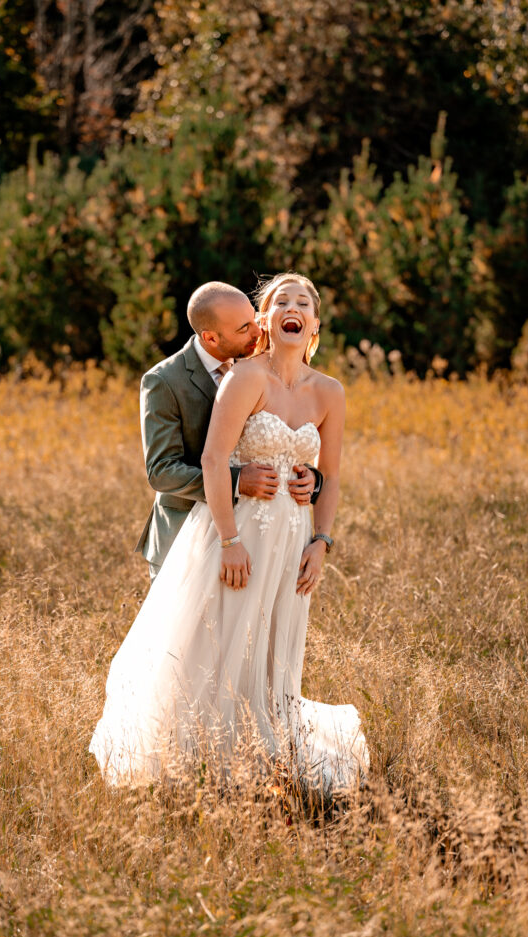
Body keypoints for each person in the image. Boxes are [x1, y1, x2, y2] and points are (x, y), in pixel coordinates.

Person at [89, 273, 368, 791]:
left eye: (303, 302)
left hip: (290, 535)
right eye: (280, 301)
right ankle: (196, 754)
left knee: (269, 646)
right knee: (201, 644)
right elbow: (197, 462)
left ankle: (270, 747)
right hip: (218, 527)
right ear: (262, 321)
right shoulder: (216, 377)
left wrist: (320, 538)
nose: (292, 308)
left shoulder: (328, 390)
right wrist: (231, 537)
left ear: (315, 323)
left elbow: (331, 473)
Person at [136, 281, 320, 578]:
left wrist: (310, 477)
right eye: (243, 329)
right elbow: (161, 471)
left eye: (254, 321)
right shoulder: (164, 381)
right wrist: (235, 482)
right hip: (183, 536)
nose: (258, 333)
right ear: (210, 337)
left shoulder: (263, 366)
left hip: (252, 536)